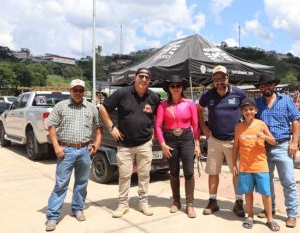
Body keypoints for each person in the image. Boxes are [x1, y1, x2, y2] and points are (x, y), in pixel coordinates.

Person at [99, 68, 160, 218]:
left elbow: (159, 115)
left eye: (147, 77)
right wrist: (111, 127)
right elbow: (102, 107)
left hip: (145, 143)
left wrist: (154, 131)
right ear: (135, 78)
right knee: (124, 175)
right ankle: (122, 204)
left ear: (149, 81)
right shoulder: (122, 93)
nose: (144, 80)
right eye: (141, 76)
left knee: (144, 175)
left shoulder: (154, 97)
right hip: (124, 143)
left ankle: (143, 203)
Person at [44, 79, 103, 231]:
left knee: (82, 183)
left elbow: (99, 128)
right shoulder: (61, 106)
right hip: (66, 151)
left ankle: (77, 208)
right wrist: (56, 146)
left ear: (84, 92)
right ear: (70, 91)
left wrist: (96, 144)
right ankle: (52, 216)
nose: (78, 93)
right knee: (61, 184)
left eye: (80, 90)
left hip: (84, 151)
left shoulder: (91, 108)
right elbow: (51, 126)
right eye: (75, 90)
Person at [197, 65, 247, 216]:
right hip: (214, 140)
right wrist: (203, 129)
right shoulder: (208, 94)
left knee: (236, 173)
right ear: (213, 80)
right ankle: (213, 202)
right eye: (216, 79)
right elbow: (199, 109)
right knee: (213, 172)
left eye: (222, 78)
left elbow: (249, 109)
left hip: (234, 141)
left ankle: (238, 202)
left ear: (227, 78)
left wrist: (245, 130)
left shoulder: (238, 93)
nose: (219, 82)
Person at [255, 74, 300, 228]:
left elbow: (295, 121)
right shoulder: (257, 103)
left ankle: (292, 214)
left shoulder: (286, 100)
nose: (265, 87)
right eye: (262, 86)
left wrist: (294, 142)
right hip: (263, 148)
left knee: (288, 181)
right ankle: (270, 208)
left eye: (268, 84)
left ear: (274, 84)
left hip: (282, 146)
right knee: (266, 181)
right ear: (260, 88)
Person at [155, 75, 201, 218]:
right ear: (169, 88)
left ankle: (190, 204)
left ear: (182, 88)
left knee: (188, 171)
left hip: (187, 138)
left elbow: (195, 125)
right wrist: (162, 144)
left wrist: (197, 144)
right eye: (173, 86)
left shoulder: (189, 103)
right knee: (173, 171)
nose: (175, 89)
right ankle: (176, 201)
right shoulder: (163, 105)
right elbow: (157, 126)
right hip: (170, 139)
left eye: (178, 86)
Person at [232, 97, 280, 231]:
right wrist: (235, 164)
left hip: (260, 165)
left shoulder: (261, 124)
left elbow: (273, 141)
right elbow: (235, 146)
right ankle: (250, 216)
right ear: (242, 111)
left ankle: (270, 218)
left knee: (266, 193)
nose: (249, 112)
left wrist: (264, 137)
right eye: (246, 110)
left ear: (256, 110)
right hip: (245, 166)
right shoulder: (238, 127)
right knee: (248, 193)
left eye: (251, 109)